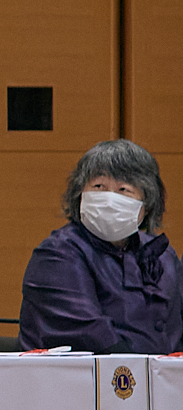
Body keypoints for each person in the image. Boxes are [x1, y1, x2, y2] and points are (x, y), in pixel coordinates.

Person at [19, 140, 182, 354]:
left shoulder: (162, 255)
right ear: (79, 195)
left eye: (124, 190)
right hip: (88, 382)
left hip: (164, 381)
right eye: (99, 187)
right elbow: (94, 337)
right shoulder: (57, 255)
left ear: (146, 204)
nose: (109, 199)